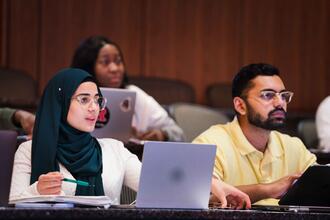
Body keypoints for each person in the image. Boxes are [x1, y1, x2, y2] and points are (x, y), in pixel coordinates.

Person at [9, 68, 141, 204]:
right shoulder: (29, 151)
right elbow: (11, 204)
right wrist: (37, 190)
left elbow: (153, 185)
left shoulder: (115, 149)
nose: (94, 108)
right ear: (61, 103)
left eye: (97, 100)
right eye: (84, 99)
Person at [193, 63, 316, 206]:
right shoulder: (210, 143)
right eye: (268, 95)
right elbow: (202, 197)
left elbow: (322, 185)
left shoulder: (293, 146)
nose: (279, 103)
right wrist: (269, 190)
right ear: (240, 105)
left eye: (283, 95)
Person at [71, 36, 184, 142]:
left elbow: (178, 134)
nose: (114, 68)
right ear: (88, 67)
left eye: (118, 61)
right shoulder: (73, 97)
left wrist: (161, 134)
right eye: (105, 62)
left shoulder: (134, 93)